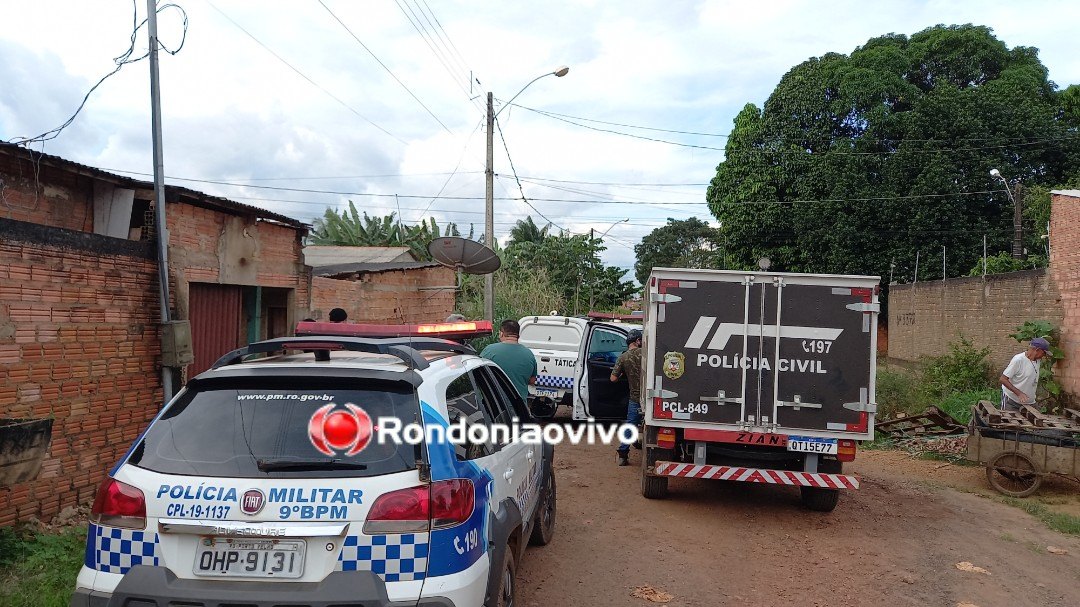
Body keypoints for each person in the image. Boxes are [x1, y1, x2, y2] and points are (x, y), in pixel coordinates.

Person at [480, 319, 537, 402]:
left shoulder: (489, 350)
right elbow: (532, 380)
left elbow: (478, 374)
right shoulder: (529, 354)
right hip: (520, 406)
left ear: (501, 333)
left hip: (495, 405)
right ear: (518, 335)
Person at [610, 329, 643, 466]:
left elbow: (612, 379)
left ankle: (623, 455)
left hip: (635, 398)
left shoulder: (623, 358)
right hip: (650, 398)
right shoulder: (646, 354)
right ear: (637, 341)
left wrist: (623, 374)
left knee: (630, 425)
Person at [1000, 337, 1051, 411]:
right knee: (1008, 421)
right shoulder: (1018, 360)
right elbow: (1003, 379)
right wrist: (1019, 393)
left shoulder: (1037, 360)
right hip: (1011, 401)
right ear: (1037, 350)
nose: (1044, 356)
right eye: (1043, 353)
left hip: (1030, 403)